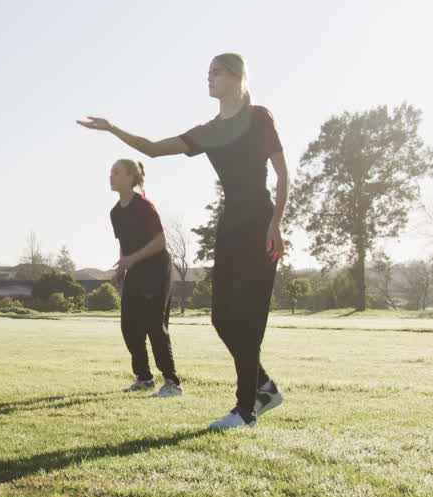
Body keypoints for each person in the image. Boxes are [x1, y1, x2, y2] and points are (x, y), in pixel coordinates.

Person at [78, 53, 288, 430]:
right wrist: (113, 129)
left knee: (249, 317)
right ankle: (263, 387)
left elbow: (282, 170)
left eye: (217, 72)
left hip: (260, 222)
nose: (209, 79)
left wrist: (277, 221)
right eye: (207, 73)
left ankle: (246, 409)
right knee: (222, 317)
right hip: (230, 226)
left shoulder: (259, 117)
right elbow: (154, 149)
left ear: (238, 77)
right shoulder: (209, 131)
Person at [108, 159, 182, 397]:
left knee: (154, 326)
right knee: (129, 326)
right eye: (111, 172)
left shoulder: (144, 206)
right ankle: (144, 378)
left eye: (116, 172)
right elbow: (124, 245)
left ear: (131, 177)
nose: (111, 176)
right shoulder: (115, 212)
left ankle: (172, 382)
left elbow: (160, 242)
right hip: (135, 270)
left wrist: (133, 259)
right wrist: (121, 267)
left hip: (156, 269)